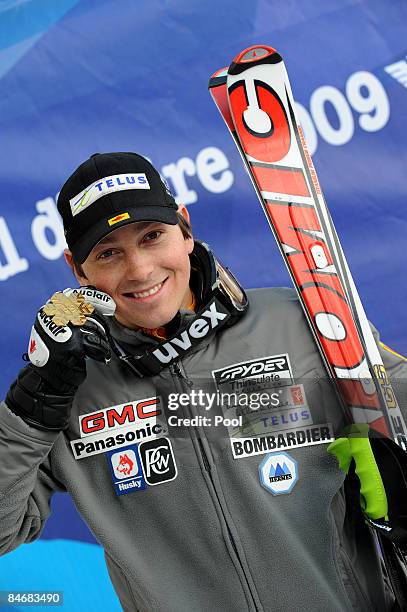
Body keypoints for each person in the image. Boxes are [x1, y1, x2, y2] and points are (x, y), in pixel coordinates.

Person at [0, 151, 406, 611]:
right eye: (109, 253)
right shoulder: (66, 389)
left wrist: (389, 446)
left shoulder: (302, 324)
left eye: (152, 237)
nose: (139, 270)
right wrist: (33, 402)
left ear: (185, 228)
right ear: (78, 268)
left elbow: (400, 400)